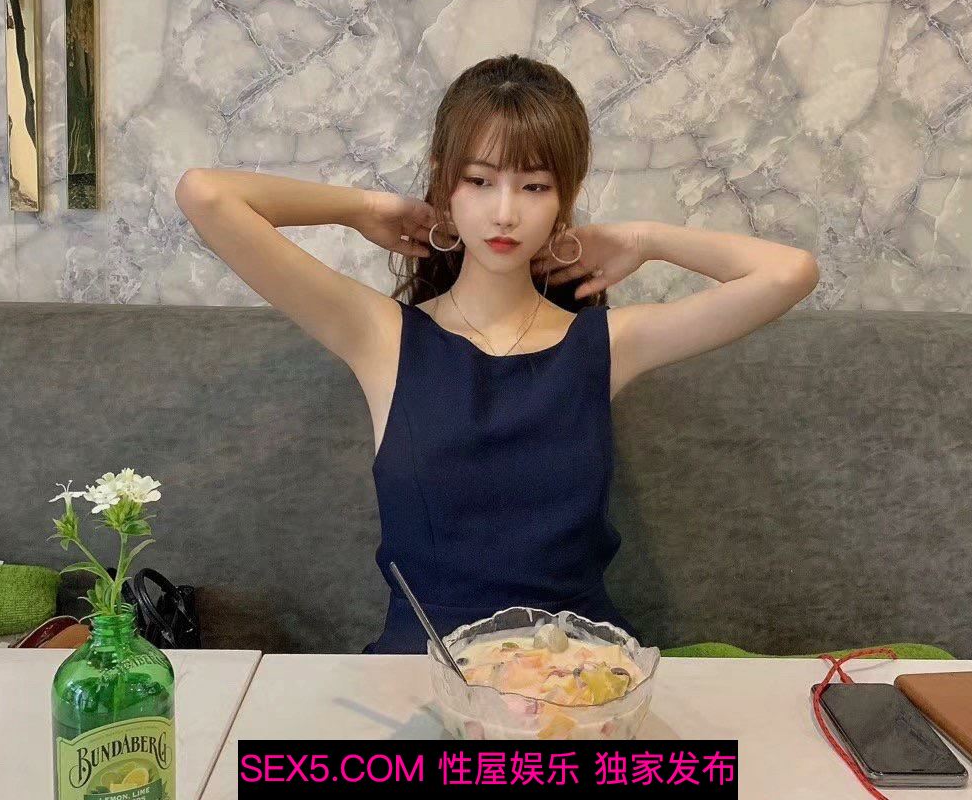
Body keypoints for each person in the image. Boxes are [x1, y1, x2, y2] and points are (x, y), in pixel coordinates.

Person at [175, 54, 819, 653]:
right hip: (424, 671)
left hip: (580, 677)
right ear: (446, 184)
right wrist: (365, 206)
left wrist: (644, 238)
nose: (505, 213)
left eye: (534, 187)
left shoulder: (606, 344)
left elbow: (790, 272)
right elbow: (206, 195)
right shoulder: (383, 337)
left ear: (564, 197)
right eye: (479, 181)